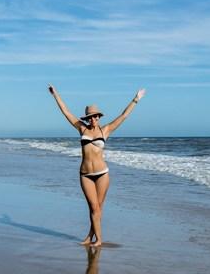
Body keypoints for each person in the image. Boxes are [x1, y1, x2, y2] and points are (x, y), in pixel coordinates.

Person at [48, 84, 145, 246]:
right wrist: (55, 94)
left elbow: (124, 116)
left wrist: (136, 99)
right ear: (87, 118)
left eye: (96, 117)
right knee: (93, 208)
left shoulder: (105, 130)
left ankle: (96, 239)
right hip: (85, 174)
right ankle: (93, 238)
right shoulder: (81, 129)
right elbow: (66, 111)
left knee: (97, 209)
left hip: (102, 174)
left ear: (99, 117)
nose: (93, 119)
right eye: (90, 117)